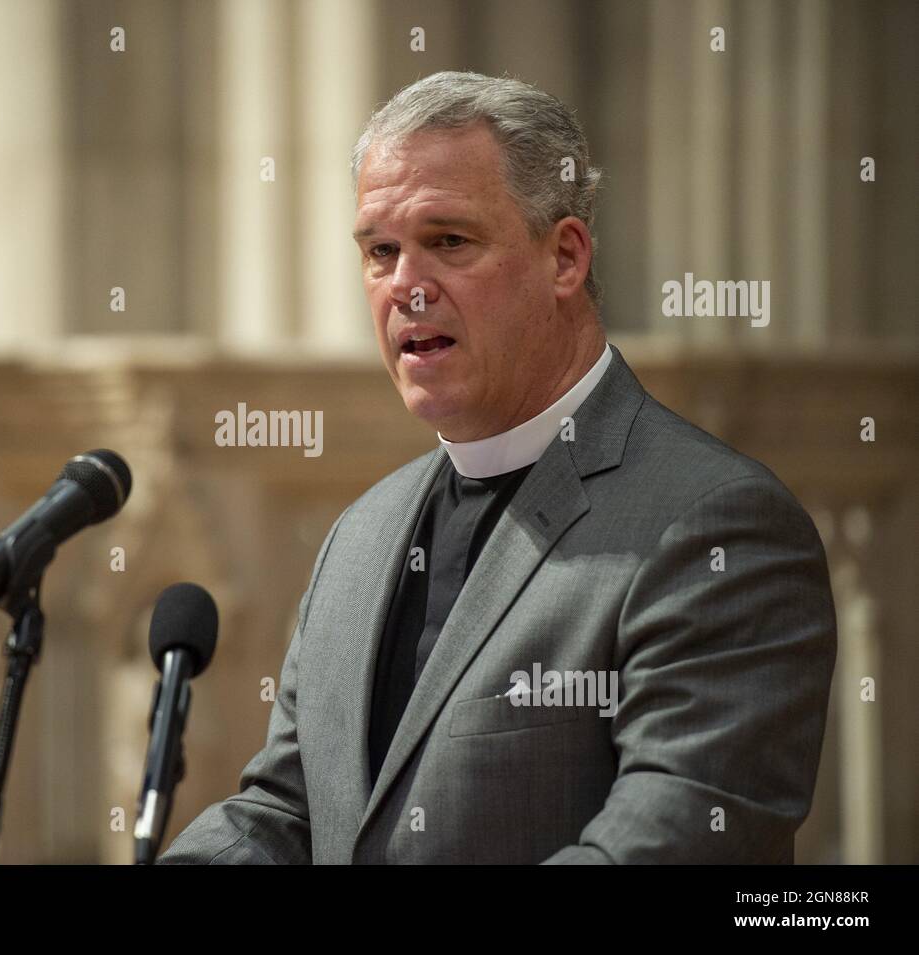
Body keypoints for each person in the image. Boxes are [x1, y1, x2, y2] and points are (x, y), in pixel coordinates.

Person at [159, 72, 836, 864]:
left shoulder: (715, 525)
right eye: (380, 251)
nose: (406, 286)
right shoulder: (360, 535)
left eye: (449, 241)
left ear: (565, 257)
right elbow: (288, 810)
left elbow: (666, 843)